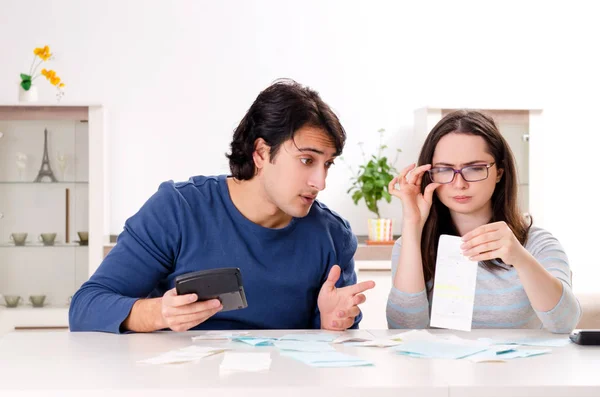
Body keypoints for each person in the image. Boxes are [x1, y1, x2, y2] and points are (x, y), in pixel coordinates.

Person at [69, 79, 375, 334]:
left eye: (328, 164)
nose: (320, 182)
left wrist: (331, 323)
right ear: (260, 153)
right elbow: (86, 307)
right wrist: (160, 313)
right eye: (307, 160)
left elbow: (335, 350)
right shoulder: (178, 209)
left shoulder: (332, 236)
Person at [386, 110, 581, 333]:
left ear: (499, 172)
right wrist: (412, 225)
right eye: (444, 170)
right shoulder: (410, 245)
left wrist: (519, 257)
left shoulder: (538, 243)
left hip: (519, 367)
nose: (459, 184)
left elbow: (565, 324)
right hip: (440, 367)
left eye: (475, 168)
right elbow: (403, 330)